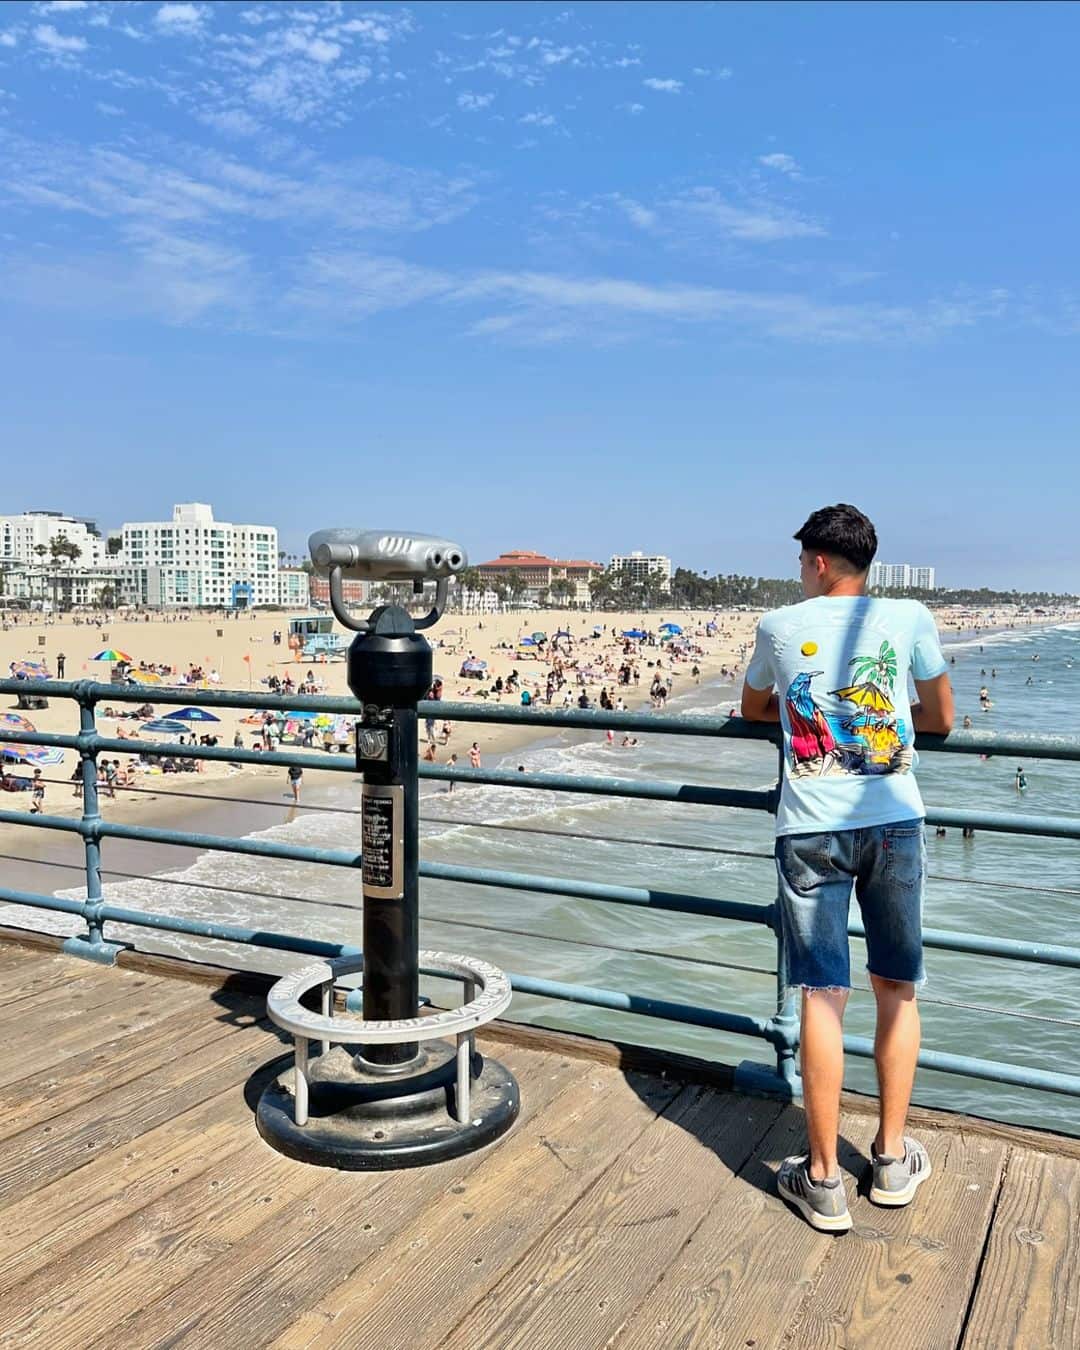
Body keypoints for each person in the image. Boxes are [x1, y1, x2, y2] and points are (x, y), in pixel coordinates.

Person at [741, 503, 953, 1233]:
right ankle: (891, 1161)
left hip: (811, 829)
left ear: (821, 562)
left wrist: (814, 736)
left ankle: (824, 1178)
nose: (800, 574)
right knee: (897, 987)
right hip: (892, 819)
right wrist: (884, 735)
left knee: (822, 994)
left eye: (802, 562)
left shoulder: (779, 625)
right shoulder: (911, 615)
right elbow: (941, 717)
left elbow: (752, 706)